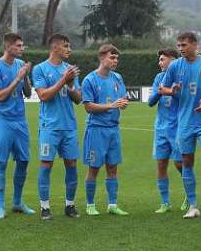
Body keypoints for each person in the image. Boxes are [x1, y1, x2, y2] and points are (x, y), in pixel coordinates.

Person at [158, 31, 201, 219]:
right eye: (178, 46)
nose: (181, 49)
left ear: (195, 44)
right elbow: (162, 89)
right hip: (185, 122)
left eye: (184, 45)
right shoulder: (175, 66)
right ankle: (193, 206)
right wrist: (172, 90)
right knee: (187, 161)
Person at [32, 33, 82, 220]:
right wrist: (63, 80)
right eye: (66, 46)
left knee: (71, 164)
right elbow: (44, 95)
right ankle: (45, 207)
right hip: (50, 126)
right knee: (46, 164)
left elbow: (78, 99)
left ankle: (70, 205)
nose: (69, 49)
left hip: (69, 126)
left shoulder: (70, 69)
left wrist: (70, 85)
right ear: (55, 48)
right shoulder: (40, 69)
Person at [0, 33, 35, 220]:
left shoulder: (19, 66)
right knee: (1, 162)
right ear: (8, 47)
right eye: (19, 45)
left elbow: (28, 93)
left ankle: (17, 202)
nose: (22, 48)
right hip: (3, 120)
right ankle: (0, 207)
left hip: (20, 121)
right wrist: (18, 77)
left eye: (22, 45)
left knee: (23, 161)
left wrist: (26, 76)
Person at [82, 44, 130, 216]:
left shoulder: (118, 78)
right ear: (101, 58)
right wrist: (111, 105)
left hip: (113, 129)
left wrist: (123, 104)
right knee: (94, 168)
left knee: (112, 168)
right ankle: (90, 205)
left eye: (117, 58)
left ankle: (112, 204)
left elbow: (122, 100)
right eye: (112, 57)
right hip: (97, 130)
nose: (115, 61)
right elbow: (88, 106)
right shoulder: (90, 80)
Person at [148, 48, 187, 213]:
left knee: (179, 163)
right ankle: (165, 202)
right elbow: (150, 102)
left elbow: (185, 99)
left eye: (163, 59)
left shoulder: (182, 76)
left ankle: (189, 195)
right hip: (161, 127)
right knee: (161, 164)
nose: (160, 62)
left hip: (177, 127)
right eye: (160, 60)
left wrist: (172, 92)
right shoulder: (158, 77)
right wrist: (159, 92)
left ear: (173, 60)